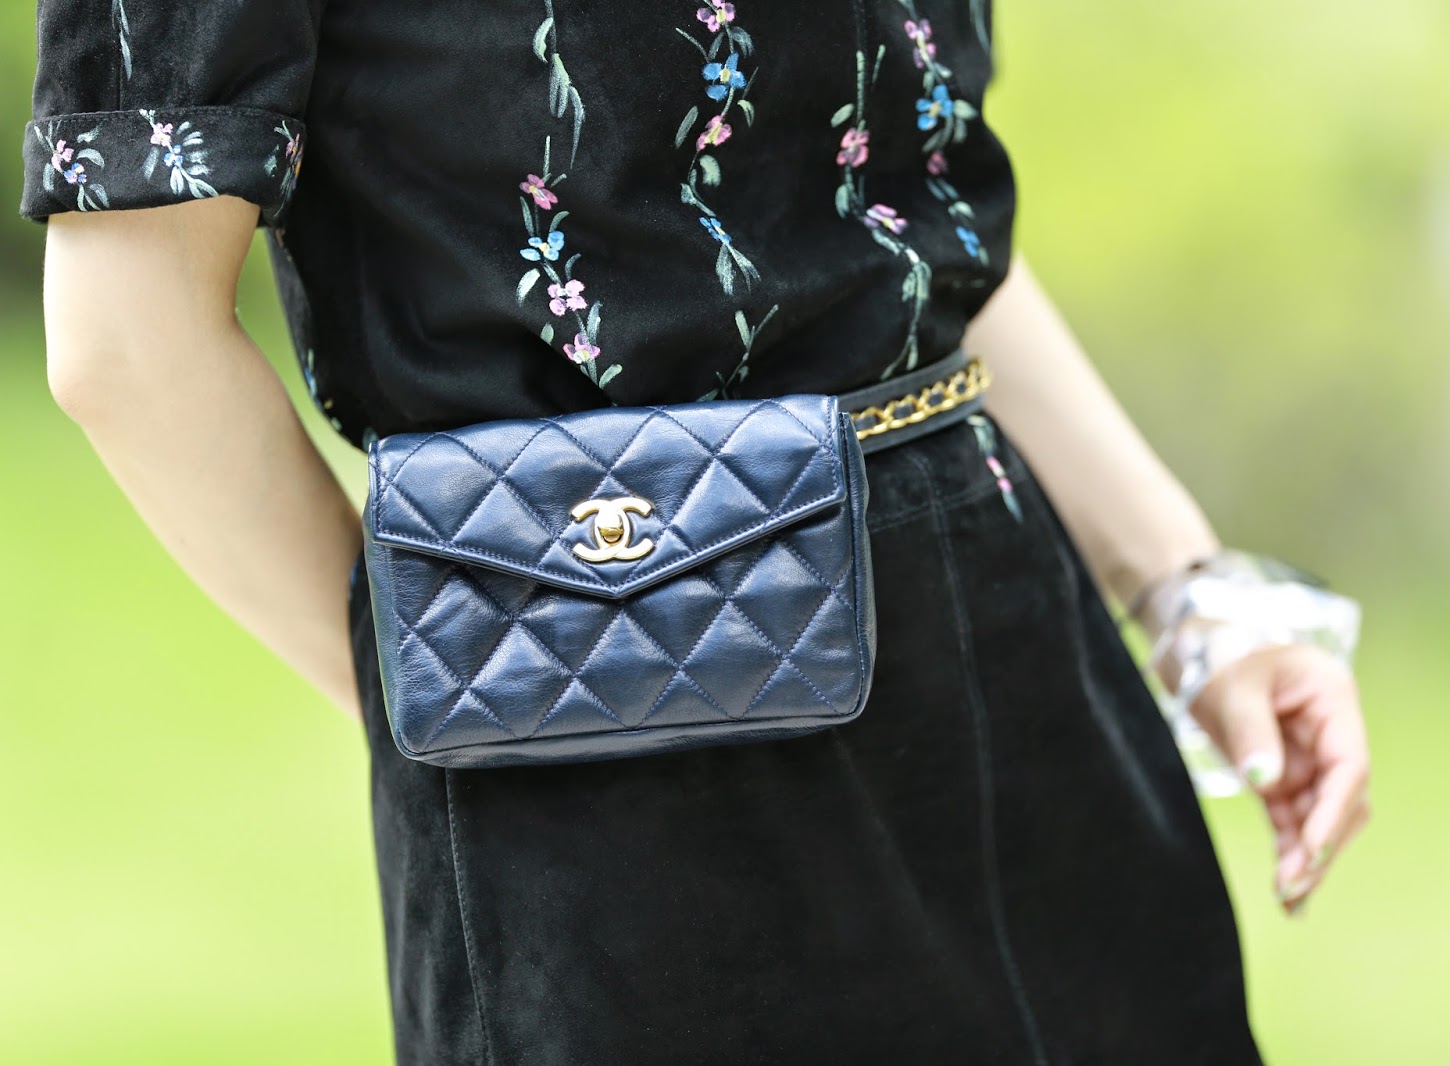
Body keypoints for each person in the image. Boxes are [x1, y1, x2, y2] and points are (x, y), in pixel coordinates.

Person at [23, 2, 1370, 1063]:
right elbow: (129, 341)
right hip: (619, 793)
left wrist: (1190, 587)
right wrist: (463, 681)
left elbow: (896, 227)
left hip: (1017, 681)